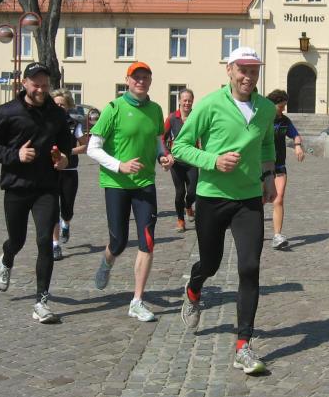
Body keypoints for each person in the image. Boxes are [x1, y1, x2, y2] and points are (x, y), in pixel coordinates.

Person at [172, 46, 277, 375]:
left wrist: (268, 176)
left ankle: (243, 345)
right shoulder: (209, 105)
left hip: (248, 200)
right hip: (212, 197)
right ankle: (194, 289)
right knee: (211, 263)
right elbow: (180, 146)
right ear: (229, 70)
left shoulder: (266, 108)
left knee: (250, 267)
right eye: (243, 69)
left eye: (254, 70)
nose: (249, 76)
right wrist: (213, 161)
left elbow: (267, 143)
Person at [0, 62, 72, 324]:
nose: (41, 90)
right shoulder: (6, 113)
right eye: (36, 85)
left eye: (45, 85)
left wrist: (63, 160)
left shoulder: (56, 115)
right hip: (17, 186)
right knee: (17, 240)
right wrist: (16, 155)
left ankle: (41, 302)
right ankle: (7, 259)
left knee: (45, 241)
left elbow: (66, 149)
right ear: (24, 83)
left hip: (47, 188)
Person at [87, 61, 174, 322]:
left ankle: (137, 301)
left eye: (145, 77)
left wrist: (163, 156)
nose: (141, 81)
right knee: (119, 241)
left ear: (150, 81)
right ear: (127, 80)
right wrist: (120, 165)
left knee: (147, 241)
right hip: (116, 184)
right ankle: (107, 261)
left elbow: (158, 141)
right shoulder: (113, 109)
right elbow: (93, 148)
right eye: (136, 77)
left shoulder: (156, 109)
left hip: (145, 183)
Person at [50, 89, 89, 261]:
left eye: (62, 105)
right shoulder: (45, 123)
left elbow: (86, 146)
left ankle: (66, 223)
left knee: (67, 209)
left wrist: (68, 152)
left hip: (69, 172)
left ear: (68, 107)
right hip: (50, 172)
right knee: (52, 209)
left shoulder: (75, 125)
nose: (59, 107)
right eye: (56, 104)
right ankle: (55, 245)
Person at [265, 90, 304, 250]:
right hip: (263, 165)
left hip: (279, 165)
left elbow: (295, 135)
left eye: (284, 106)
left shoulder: (285, 121)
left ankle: (277, 236)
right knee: (260, 200)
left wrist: (298, 146)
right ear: (272, 105)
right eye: (281, 106)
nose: (283, 109)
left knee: (279, 199)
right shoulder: (262, 119)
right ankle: (254, 231)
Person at [163, 89, 199, 233]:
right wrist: (167, 154)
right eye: (184, 100)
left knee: (192, 191)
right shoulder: (172, 118)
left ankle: (188, 206)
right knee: (180, 192)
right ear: (179, 101)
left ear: (193, 101)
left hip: (192, 161)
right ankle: (180, 220)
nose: (187, 103)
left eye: (189, 100)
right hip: (177, 162)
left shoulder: (196, 117)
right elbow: (161, 138)